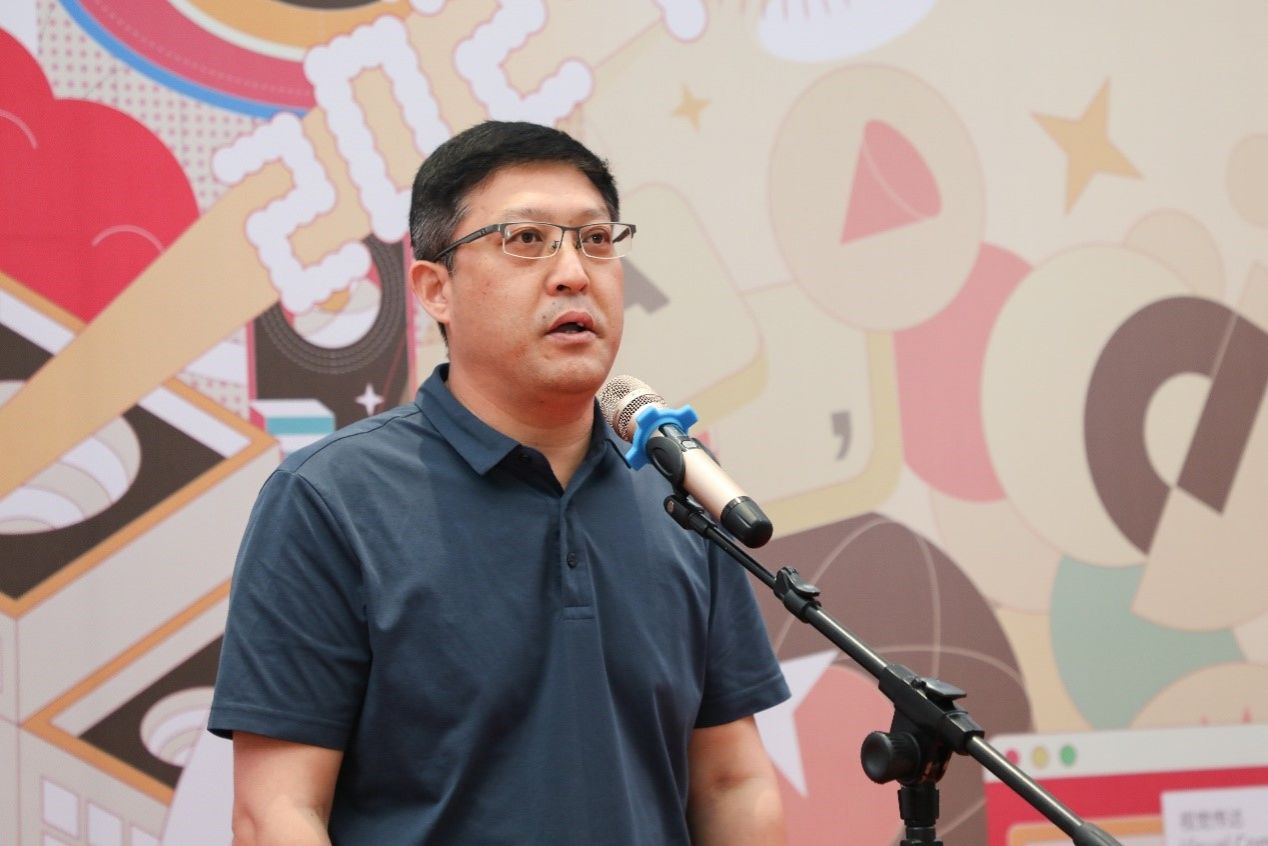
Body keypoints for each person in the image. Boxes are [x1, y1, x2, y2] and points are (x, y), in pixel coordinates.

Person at [209, 120, 791, 845]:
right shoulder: (332, 500)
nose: (573, 272)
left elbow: (732, 783)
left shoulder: (675, 494)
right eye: (527, 239)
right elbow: (277, 813)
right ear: (436, 289)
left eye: (596, 239)